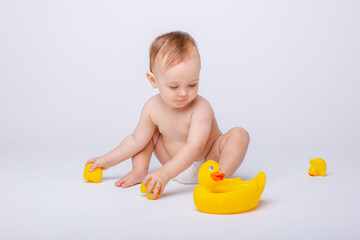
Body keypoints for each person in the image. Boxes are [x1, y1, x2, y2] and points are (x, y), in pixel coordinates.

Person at [86, 31, 250, 199]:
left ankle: (219, 178)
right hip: (172, 162)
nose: (184, 93)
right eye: (173, 86)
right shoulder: (152, 107)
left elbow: (195, 147)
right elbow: (135, 140)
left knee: (239, 135)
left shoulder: (201, 108)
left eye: (192, 84)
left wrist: (164, 174)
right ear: (153, 80)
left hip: (207, 163)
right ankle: (139, 170)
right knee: (146, 135)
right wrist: (107, 160)